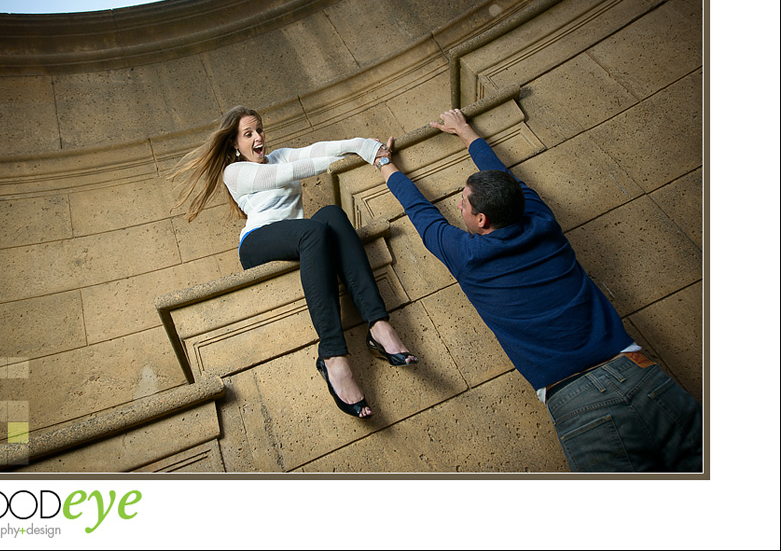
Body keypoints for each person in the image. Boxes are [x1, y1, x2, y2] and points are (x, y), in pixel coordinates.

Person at [373, 107, 702, 472]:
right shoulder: (543, 221)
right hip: (642, 373)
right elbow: (505, 177)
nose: (459, 205)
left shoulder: (466, 254)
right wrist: (466, 132)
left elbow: (420, 212)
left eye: (462, 202)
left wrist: (385, 164)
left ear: (479, 220)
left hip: (578, 403)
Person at [173, 105, 417, 419]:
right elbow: (283, 175)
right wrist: (359, 156)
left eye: (259, 130)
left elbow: (320, 149)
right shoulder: (234, 171)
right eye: (248, 134)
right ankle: (332, 357)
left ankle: (379, 325)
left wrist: (367, 148)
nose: (258, 137)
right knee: (314, 231)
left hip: (301, 236)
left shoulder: (279, 154)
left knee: (331, 215)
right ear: (235, 143)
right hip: (258, 242)